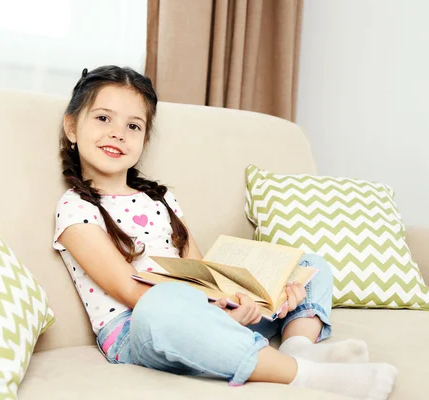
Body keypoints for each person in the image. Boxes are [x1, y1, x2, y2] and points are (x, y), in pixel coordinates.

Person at [52, 65, 397, 399]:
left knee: (310, 264)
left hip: (202, 310)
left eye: (133, 126)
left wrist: (240, 300)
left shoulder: (161, 198)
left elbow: (199, 271)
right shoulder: (76, 209)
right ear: (71, 126)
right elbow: (131, 290)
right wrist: (213, 308)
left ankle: (298, 346)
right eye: (103, 118)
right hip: (140, 327)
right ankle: (301, 374)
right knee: (162, 304)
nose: (118, 133)